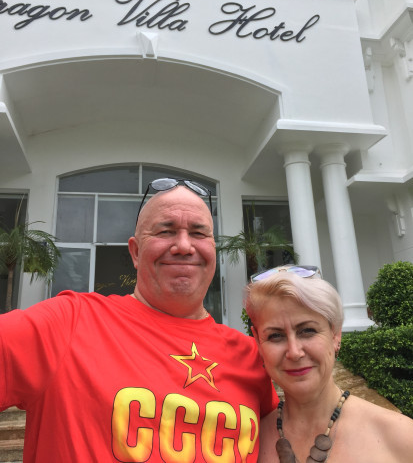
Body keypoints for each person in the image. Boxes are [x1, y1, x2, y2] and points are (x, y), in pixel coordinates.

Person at [0, 178, 278, 462]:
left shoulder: (252, 357)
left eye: (198, 233)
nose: (184, 246)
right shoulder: (68, 323)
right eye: (165, 231)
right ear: (135, 252)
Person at [244, 265, 413, 463]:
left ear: (335, 334)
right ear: (258, 342)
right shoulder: (245, 441)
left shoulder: (401, 438)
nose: (294, 352)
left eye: (307, 330)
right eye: (275, 336)